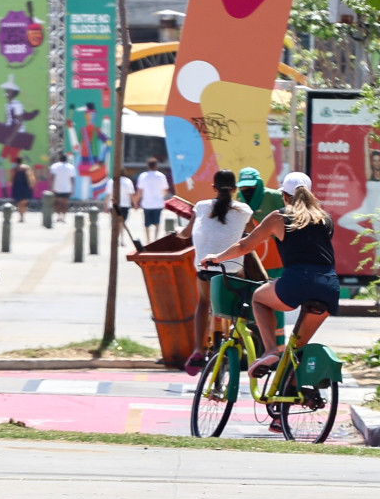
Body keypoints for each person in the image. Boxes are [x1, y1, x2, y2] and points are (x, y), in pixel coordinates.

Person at [201, 171, 338, 375]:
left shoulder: (279, 217)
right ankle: (295, 391)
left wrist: (217, 257)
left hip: (297, 281)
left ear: (284, 196)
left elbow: (244, 246)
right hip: (329, 287)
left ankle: (270, 350)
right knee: (295, 351)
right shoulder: (325, 219)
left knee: (258, 298)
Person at [179, 168, 254, 371]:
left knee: (203, 303)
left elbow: (186, 234)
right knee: (241, 278)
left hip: (205, 267)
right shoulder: (244, 211)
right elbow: (250, 234)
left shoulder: (201, 206)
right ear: (235, 189)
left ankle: (198, 350)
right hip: (231, 269)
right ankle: (238, 333)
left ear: (214, 187)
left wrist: (178, 233)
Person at [136, 156, 170, 238]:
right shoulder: (161, 176)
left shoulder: (143, 176)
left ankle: (148, 240)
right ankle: (155, 239)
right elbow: (165, 189)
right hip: (158, 203)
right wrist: (161, 196)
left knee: (147, 224)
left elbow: (140, 190)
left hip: (146, 203)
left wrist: (136, 202)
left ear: (148, 166)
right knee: (157, 223)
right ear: (156, 166)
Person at [47, 154, 77, 223]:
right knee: (64, 203)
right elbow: (72, 179)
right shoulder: (71, 167)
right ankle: (63, 217)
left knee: (56, 203)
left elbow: (52, 177)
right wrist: (72, 188)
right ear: (66, 159)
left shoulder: (55, 166)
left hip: (56, 188)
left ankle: (58, 216)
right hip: (67, 189)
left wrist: (51, 186)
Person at [8, 153, 34, 221]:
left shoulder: (15, 169)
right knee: (24, 203)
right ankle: (23, 215)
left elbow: (12, 179)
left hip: (17, 187)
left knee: (19, 203)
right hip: (25, 187)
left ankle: (21, 216)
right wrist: (32, 185)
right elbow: (31, 177)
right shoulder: (26, 168)